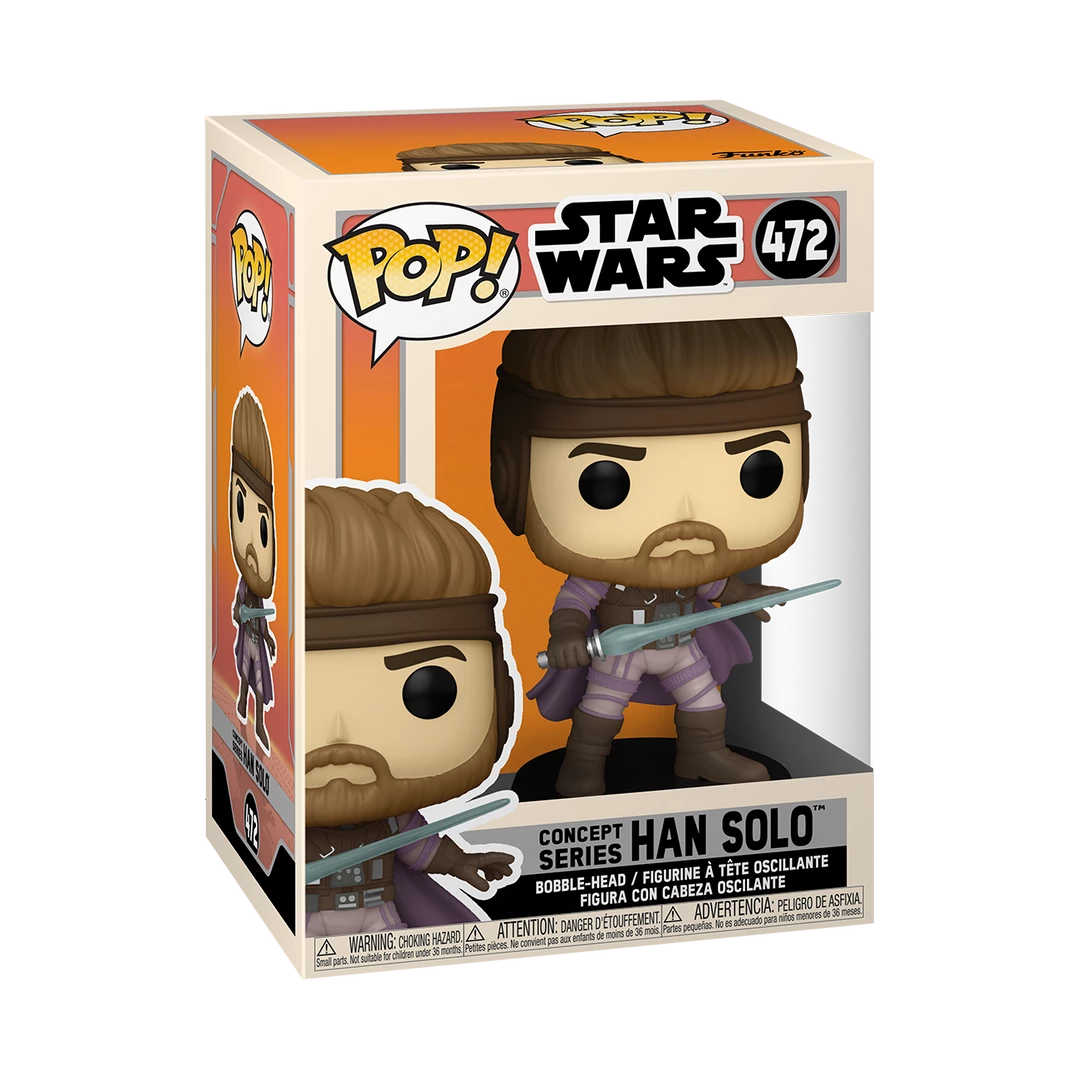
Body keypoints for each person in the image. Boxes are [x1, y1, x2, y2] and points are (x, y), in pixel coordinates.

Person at [490, 318, 811, 796]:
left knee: (704, 701)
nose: (686, 516)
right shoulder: (605, 580)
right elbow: (572, 605)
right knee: (601, 707)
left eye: (756, 472)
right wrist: (568, 636)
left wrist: (747, 594)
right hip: (622, 652)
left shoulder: (689, 573)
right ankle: (584, 762)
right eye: (604, 483)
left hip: (681, 647)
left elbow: (721, 588)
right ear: (513, 479)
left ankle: (703, 752)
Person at [304, 483, 517, 935]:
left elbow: (424, 849)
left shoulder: (392, 821)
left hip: (379, 915)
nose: (342, 735)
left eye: (428, 690)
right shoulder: (287, 821)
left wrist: (463, 862)